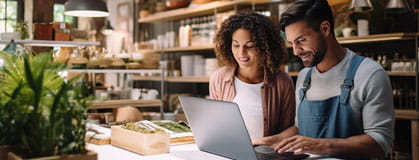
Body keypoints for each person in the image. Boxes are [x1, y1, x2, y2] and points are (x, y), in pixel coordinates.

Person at [252, 0, 395, 158]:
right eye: (292, 43)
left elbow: (380, 142)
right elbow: (301, 128)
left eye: (301, 41)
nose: (296, 51)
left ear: (325, 29)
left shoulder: (369, 74)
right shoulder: (304, 76)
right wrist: (272, 140)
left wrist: (321, 145)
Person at [209, 12, 295, 139]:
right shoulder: (219, 78)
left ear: (265, 47)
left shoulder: (282, 82)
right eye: (236, 45)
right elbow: (215, 124)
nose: (241, 53)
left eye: (250, 46)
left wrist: (266, 143)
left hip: (266, 155)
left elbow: (289, 130)